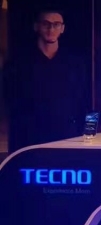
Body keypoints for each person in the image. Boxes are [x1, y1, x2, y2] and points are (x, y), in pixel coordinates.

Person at [3, 9, 88, 151]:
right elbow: (8, 98)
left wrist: (88, 132)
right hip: (28, 136)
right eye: (46, 24)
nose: (51, 29)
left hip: (66, 135)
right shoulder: (19, 62)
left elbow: (83, 99)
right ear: (36, 26)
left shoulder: (75, 63)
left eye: (56, 24)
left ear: (62, 28)